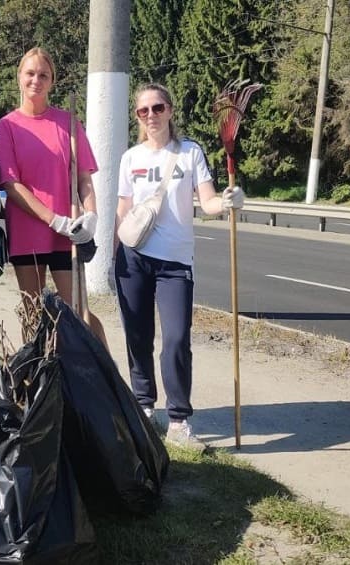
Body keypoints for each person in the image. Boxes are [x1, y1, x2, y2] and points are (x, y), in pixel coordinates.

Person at [114, 83, 245, 451]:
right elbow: (124, 208)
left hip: (174, 262)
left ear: (170, 110)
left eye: (157, 108)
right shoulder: (131, 158)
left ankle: (178, 420)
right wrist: (110, 251)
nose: (151, 116)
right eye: (143, 111)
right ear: (137, 117)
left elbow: (208, 201)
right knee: (137, 336)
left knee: (175, 339)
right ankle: (143, 406)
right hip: (133, 257)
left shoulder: (189, 153)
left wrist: (229, 201)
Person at [0, 47, 105, 341]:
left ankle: (106, 380)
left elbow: (84, 178)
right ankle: (37, 382)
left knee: (77, 313)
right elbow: (11, 183)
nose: (36, 80)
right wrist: (53, 219)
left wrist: (91, 214)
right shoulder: (7, 126)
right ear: (19, 77)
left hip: (66, 235)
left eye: (43, 75)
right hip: (29, 232)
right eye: (30, 73)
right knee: (33, 316)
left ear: (52, 81)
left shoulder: (68, 123)